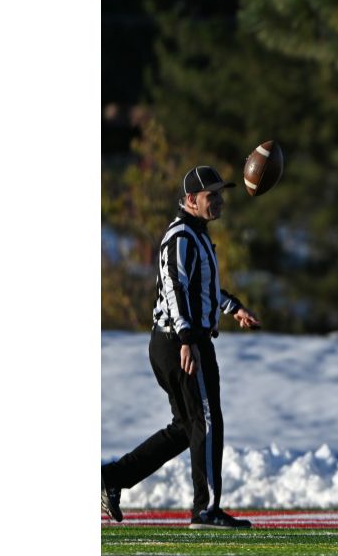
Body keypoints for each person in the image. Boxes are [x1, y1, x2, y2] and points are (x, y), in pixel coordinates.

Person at [101, 165, 262, 528]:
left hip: (178, 339)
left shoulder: (195, 234)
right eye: (212, 195)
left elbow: (199, 288)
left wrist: (232, 307)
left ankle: (113, 477)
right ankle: (205, 510)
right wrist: (188, 339)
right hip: (180, 341)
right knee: (206, 420)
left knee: (187, 426)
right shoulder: (181, 237)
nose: (219, 201)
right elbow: (174, 291)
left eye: (221, 194)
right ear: (191, 199)